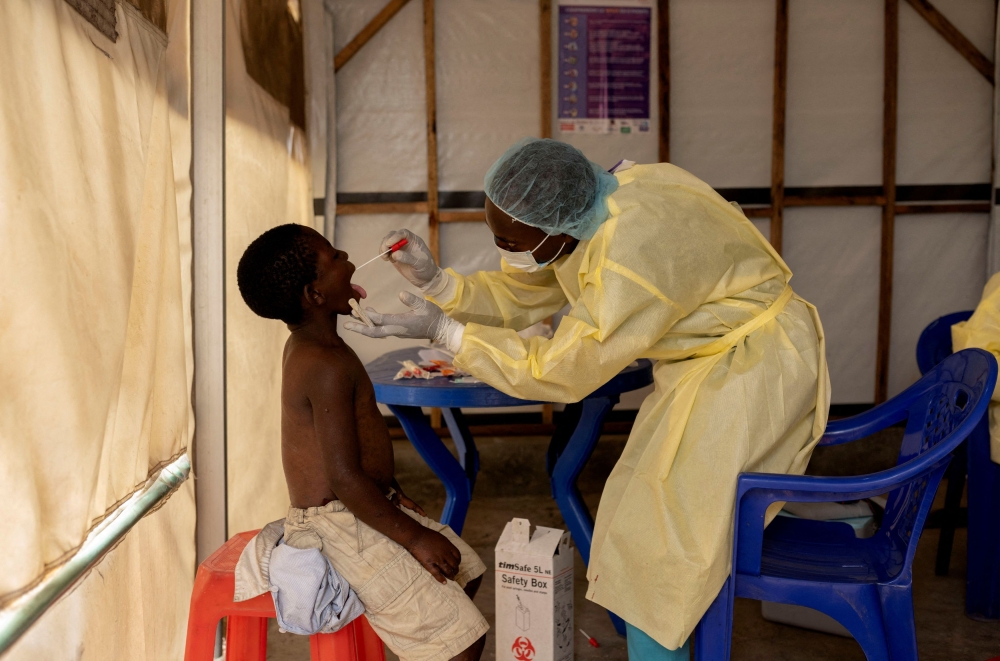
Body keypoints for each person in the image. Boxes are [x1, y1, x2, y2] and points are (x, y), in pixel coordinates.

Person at [346, 138, 830, 658]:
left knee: (667, 551)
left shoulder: (631, 254)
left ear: (556, 227)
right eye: (497, 235)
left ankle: (665, 642)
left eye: (511, 239)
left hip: (751, 371)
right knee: (634, 524)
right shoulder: (601, 204)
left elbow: (563, 370)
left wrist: (449, 334)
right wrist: (441, 284)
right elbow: (532, 289)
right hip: (712, 365)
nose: (504, 248)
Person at [236, 224, 488, 661]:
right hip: (339, 524)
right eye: (335, 256)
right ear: (315, 295)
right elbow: (344, 477)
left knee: (463, 571)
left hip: (358, 504)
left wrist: (392, 494)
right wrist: (413, 538)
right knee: (461, 646)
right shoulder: (324, 364)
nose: (347, 253)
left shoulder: (317, 345)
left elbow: (346, 459)